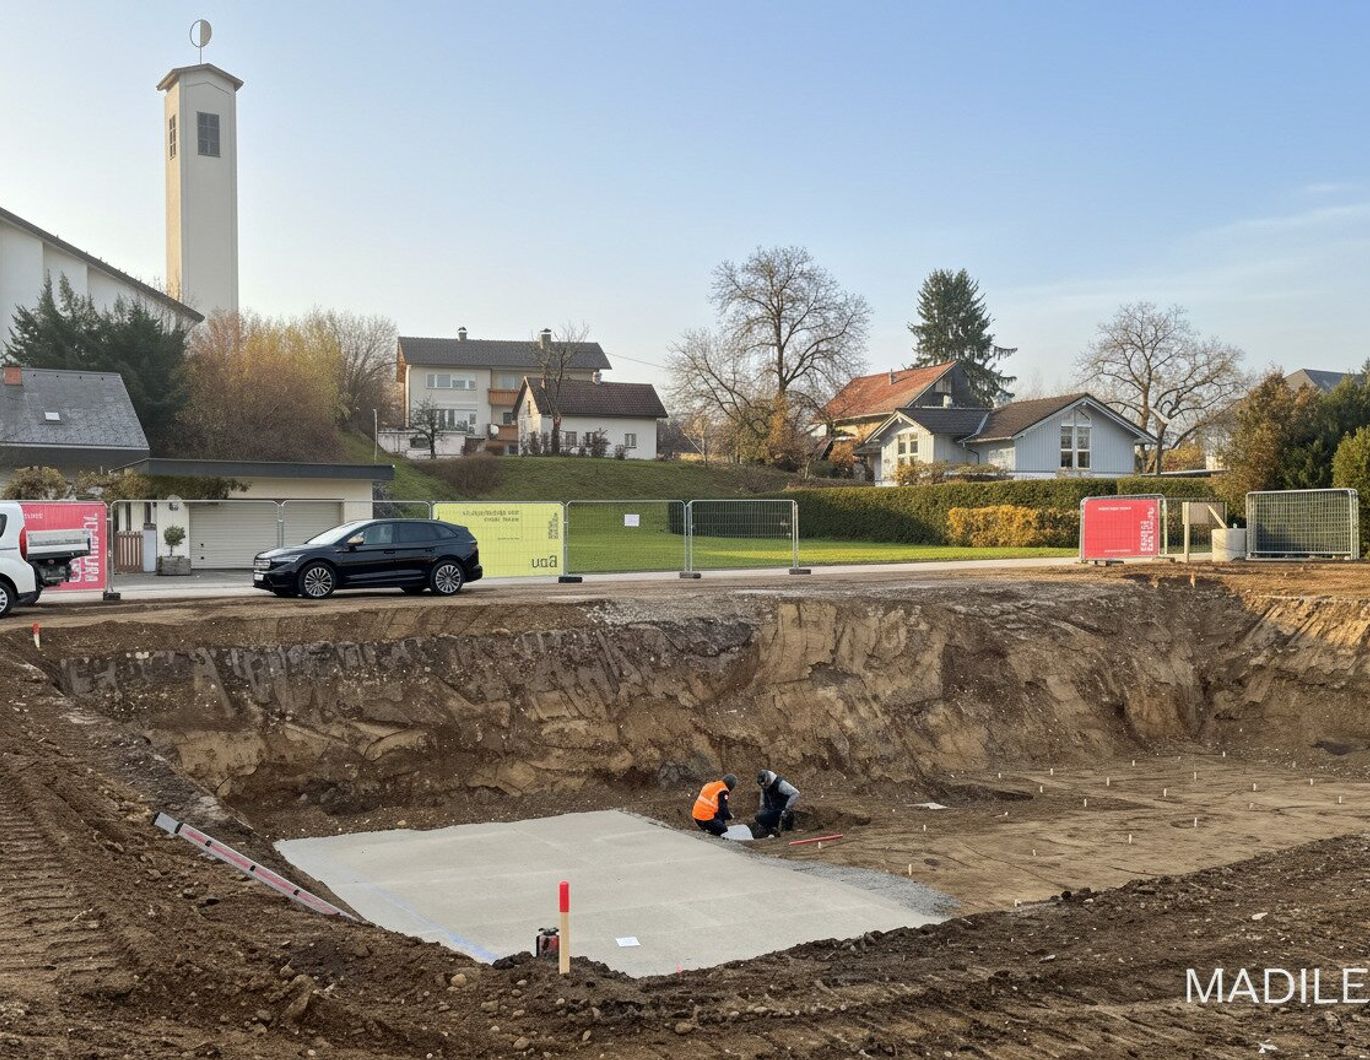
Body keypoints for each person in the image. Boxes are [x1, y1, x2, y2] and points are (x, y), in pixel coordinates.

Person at [754, 770, 800, 836]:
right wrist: (762, 809)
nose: (765, 786)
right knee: (759, 817)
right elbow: (762, 800)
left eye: (766, 784)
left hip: (783, 812)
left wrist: (787, 809)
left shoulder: (780, 784)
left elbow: (795, 793)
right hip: (772, 811)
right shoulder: (764, 787)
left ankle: (785, 830)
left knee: (785, 818)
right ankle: (771, 830)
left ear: (768, 780)